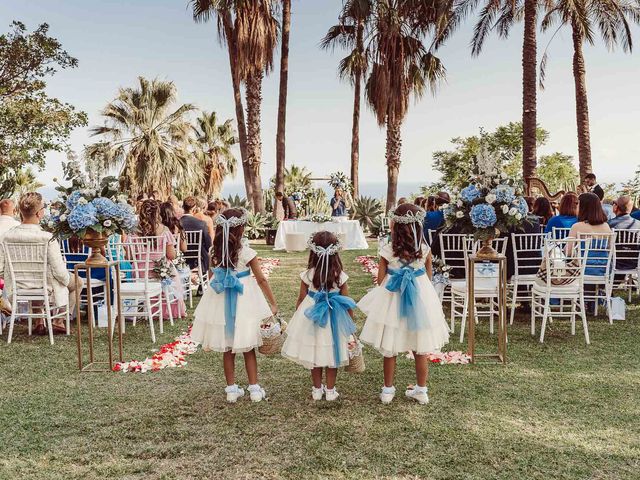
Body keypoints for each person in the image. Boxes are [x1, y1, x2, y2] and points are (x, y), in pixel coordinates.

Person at [358, 203, 450, 405]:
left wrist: (395, 275)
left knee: (390, 345)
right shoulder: (424, 249)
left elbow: (380, 280)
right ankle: (421, 390)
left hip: (392, 298)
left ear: (395, 226)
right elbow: (427, 275)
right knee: (420, 347)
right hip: (420, 297)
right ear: (418, 226)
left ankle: (388, 390)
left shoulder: (387, 249)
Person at [191, 208, 278, 403]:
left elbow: (211, 277)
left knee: (227, 348)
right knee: (248, 346)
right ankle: (254, 389)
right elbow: (262, 279)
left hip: (220, 300)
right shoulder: (247, 252)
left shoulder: (214, 250)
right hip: (244, 300)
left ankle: (231, 390)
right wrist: (272, 303)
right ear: (241, 229)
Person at [281, 231, 357, 402]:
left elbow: (301, 299)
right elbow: (346, 301)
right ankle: (330, 390)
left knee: (313, 351)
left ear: (313, 253)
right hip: (335, 318)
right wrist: (350, 321)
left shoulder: (308, 274)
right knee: (333, 351)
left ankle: (316, 389)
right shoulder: (340, 276)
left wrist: (299, 315)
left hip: (311, 316)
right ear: (335, 253)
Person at [0, 192, 83, 335]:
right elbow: (59, 272)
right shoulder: (47, 237)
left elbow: (1, 269)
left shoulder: (6, 237)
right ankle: (59, 321)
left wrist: (15, 278)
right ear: (39, 213)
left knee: (36, 278)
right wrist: (66, 281)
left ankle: (39, 320)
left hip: (19, 285)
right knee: (78, 282)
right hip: (45, 284)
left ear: (20, 211)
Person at [132, 200, 186, 319]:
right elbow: (171, 256)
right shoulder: (164, 230)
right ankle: (167, 311)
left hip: (140, 272)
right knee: (173, 273)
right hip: (160, 271)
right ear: (157, 213)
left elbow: (130, 257)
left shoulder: (134, 231)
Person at [180, 196, 213, 275]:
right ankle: (202, 282)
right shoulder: (201, 224)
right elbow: (209, 244)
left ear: (183, 207)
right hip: (198, 257)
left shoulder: (177, 223)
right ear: (193, 208)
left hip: (182, 257)